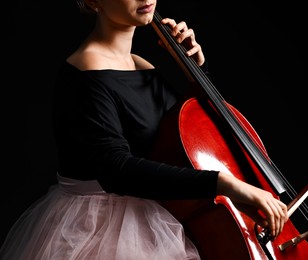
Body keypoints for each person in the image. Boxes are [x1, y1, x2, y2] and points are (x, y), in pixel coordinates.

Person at [0, 0, 288, 259]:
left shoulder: (140, 66)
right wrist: (225, 184)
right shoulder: (85, 74)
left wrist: (196, 71)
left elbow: (183, 138)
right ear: (92, 1)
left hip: (154, 214)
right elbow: (118, 170)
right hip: (102, 227)